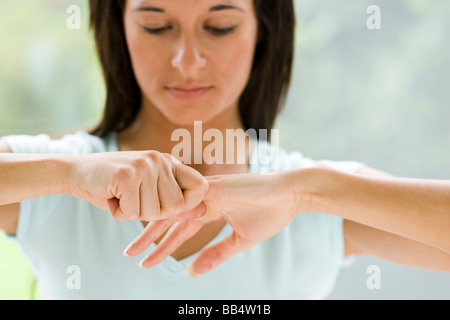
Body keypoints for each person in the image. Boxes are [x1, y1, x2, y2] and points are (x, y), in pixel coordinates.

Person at [0, 0, 448, 300]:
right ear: (119, 27)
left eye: (220, 26)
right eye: (156, 26)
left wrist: (310, 191)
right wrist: (67, 173)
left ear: (261, 30)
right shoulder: (51, 179)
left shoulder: (314, 199)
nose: (188, 61)